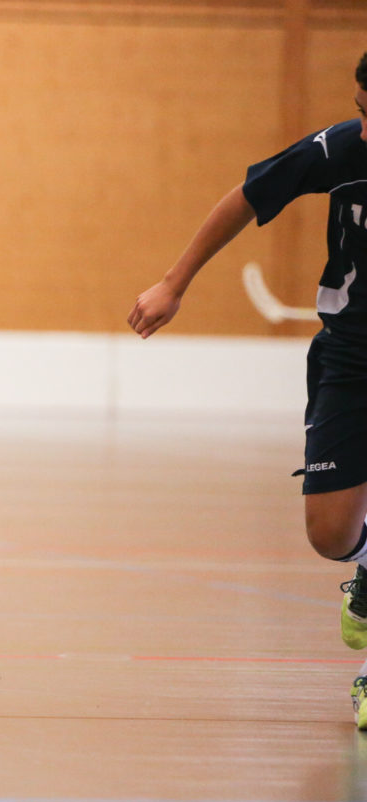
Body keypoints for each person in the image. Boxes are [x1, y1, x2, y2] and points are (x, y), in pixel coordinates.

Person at [128, 51, 367, 727]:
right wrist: (174, 282)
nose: (366, 129)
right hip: (350, 359)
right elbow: (248, 195)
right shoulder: (342, 150)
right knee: (329, 533)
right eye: (362, 112)